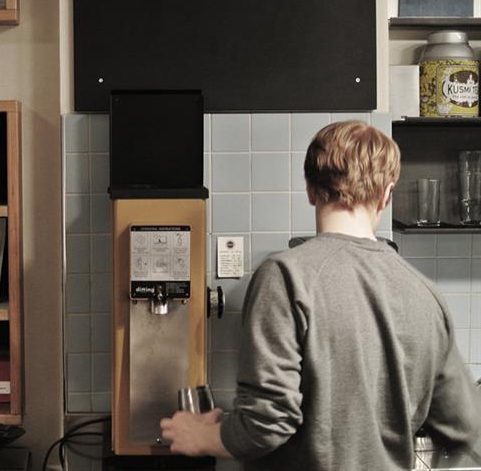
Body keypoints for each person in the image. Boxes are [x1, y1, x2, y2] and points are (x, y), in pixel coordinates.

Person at [160, 120, 481, 470]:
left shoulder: (286, 276)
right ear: (387, 195)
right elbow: (466, 427)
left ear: (311, 189)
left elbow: (268, 422)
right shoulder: (425, 293)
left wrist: (200, 435)